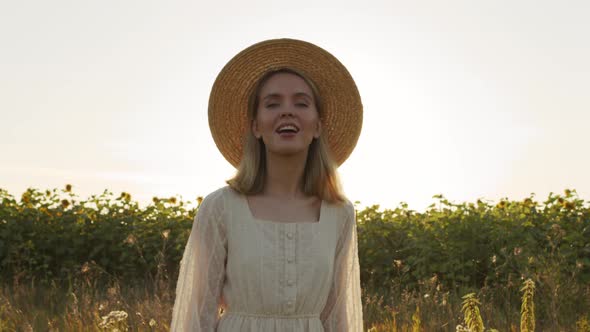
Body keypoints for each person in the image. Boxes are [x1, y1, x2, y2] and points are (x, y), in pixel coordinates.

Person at [170, 38, 364, 332]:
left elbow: (338, 317)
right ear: (256, 126)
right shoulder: (220, 208)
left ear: (318, 126)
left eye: (301, 103)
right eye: (272, 104)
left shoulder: (340, 213)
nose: (287, 111)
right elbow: (196, 316)